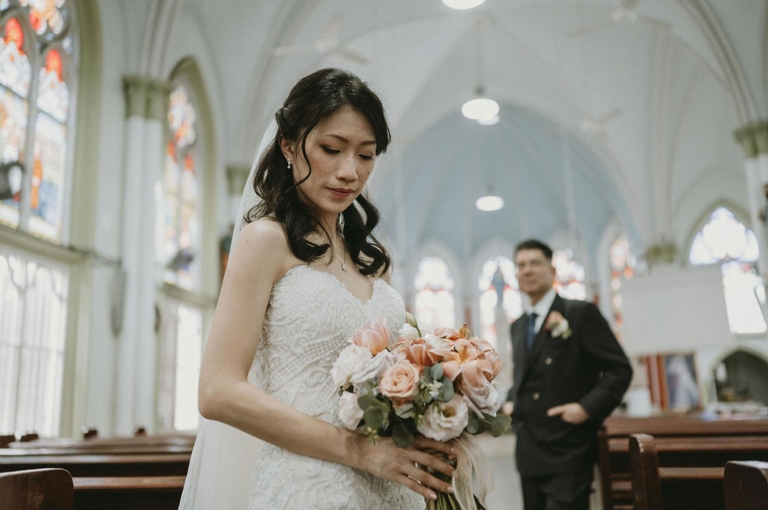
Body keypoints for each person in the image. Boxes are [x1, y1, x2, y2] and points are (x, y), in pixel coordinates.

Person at [179, 68, 456, 509]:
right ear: (290, 145)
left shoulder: (371, 260)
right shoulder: (264, 241)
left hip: (390, 485)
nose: (350, 171)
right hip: (309, 486)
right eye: (331, 149)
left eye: (366, 155)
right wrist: (357, 450)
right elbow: (217, 391)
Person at [502, 239, 632, 510]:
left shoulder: (580, 313)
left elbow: (619, 369)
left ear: (553, 270)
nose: (527, 270)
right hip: (529, 451)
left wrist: (586, 408)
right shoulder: (518, 326)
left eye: (535, 263)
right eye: (521, 265)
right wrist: (511, 400)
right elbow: (523, 377)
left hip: (568, 449)